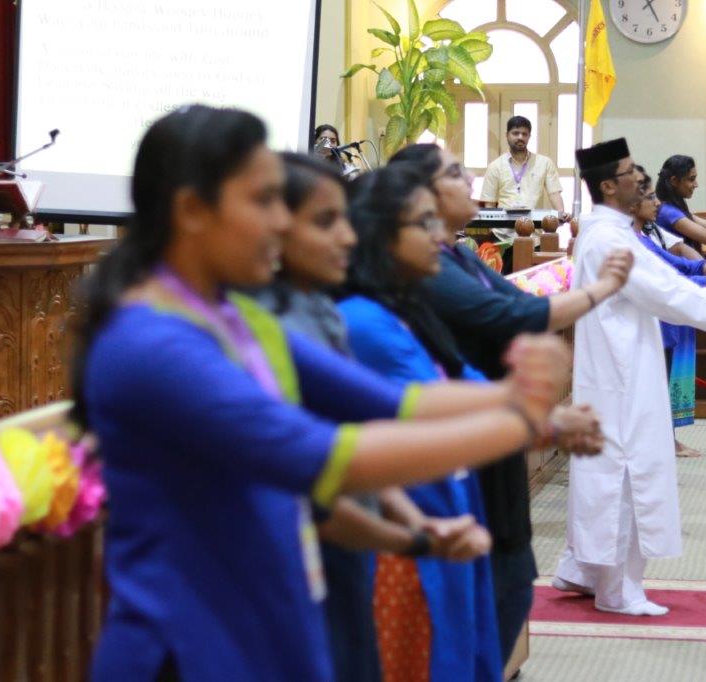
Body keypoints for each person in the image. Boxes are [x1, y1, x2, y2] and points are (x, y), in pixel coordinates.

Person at [73, 104, 575, 681]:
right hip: (189, 645)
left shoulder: (234, 315)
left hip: (269, 619)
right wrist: (521, 417)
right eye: (263, 201)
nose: (280, 223)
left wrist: (513, 404)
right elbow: (327, 457)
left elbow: (391, 404)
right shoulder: (151, 343)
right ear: (191, 210)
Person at [337, 164, 605, 681]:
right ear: (380, 234)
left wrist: (543, 416)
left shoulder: (406, 302)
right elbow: (411, 407)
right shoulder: (363, 320)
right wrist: (529, 412)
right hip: (410, 520)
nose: (437, 235)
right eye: (423, 223)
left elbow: (460, 380)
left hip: (449, 507)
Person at [255, 152, 492, 682]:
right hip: (312, 548)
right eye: (326, 222)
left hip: (378, 522)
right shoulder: (309, 321)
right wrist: (526, 412)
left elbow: (353, 435)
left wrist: (415, 527)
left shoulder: (327, 310)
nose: (346, 237)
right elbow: (385, 415)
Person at [388, 142, 632, 657]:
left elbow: (519, 304)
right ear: (419, 197)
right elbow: (510, 318)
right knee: (485, 592)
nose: (470, 180)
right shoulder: (424, 271)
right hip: (462, 441)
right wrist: (600, 289)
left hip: (494, 424)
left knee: (513, 574)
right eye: (454, 173)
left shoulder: (457, 254)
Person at [552, 137, 706, 617]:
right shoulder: (607, 237)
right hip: (621, 371)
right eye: (630, 173)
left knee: (610, 469)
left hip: (622, 363)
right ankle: (617, 591)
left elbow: (667, 280)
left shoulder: (616, 231)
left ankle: (584, 570)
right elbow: (661, 292)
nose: (639, 179)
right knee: (625, 473)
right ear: (609, 185)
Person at [633, 167, 706, 457]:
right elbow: (677, 277)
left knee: (663, 384)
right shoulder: (635, 238)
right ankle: (659, 444)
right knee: (651, 390)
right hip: (652, 322)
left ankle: (664, 442)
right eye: (650, 198)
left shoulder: (646, 233)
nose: (657, 203)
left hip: (667, 318)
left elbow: (686, 264)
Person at [480, 115, 569, 220]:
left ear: (529, 136)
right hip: (503, 228)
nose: (520, 137)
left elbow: (554, 193)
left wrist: (561, 214)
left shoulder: (544, 163)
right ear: (507, 135)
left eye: (524, 134)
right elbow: (489, 203)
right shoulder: (495, 166)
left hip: (534, 226)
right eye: (515, 133)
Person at [655, 154, 706, 250]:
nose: (696, 184)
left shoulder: (675, 210)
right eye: (691, 179)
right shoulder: (669, 213)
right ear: (674, 181)